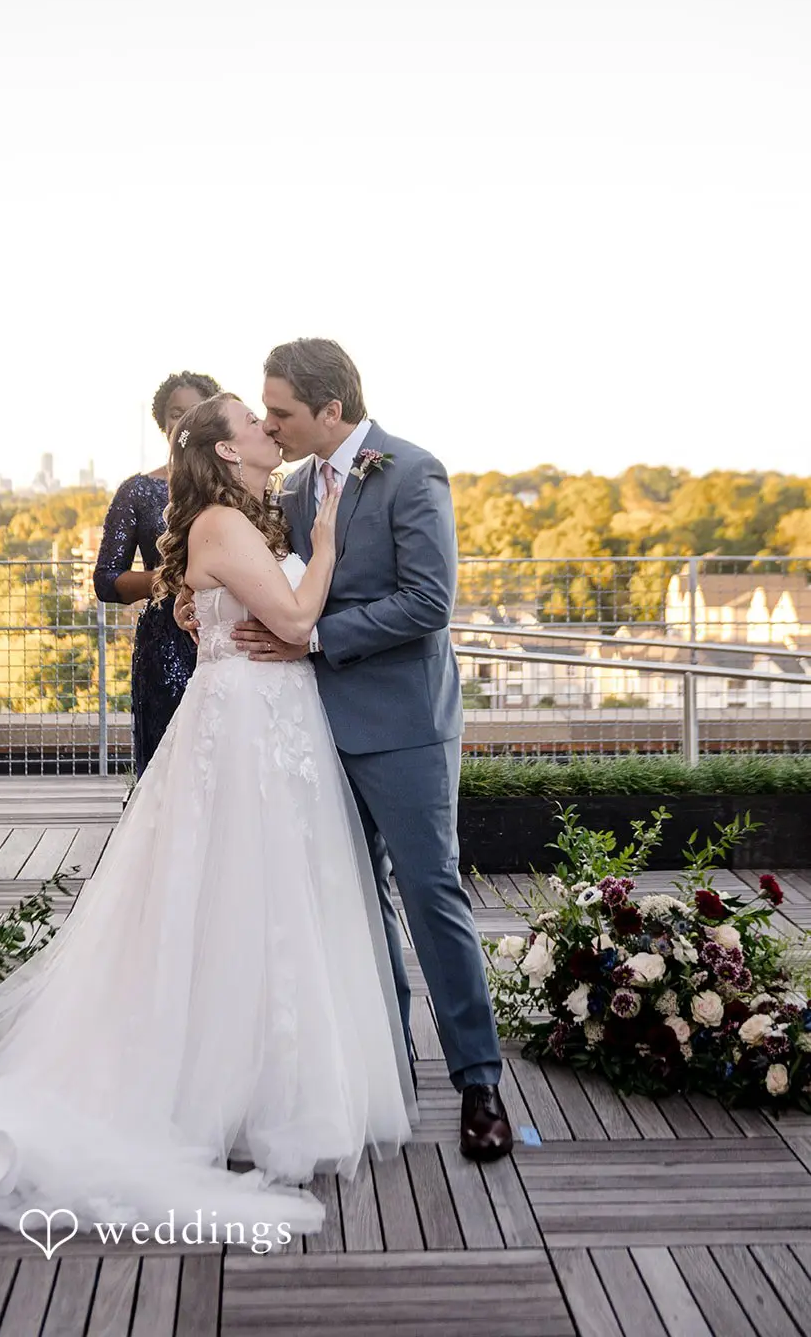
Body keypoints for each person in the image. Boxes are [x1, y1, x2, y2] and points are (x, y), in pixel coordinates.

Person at [0, 394, 415, 1243]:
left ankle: (255, 1087)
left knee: (265, 904)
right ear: (222, 444)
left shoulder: (243, 519)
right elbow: (293, 618)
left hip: (268, 728)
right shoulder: (221, 522)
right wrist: (322, 549)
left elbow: (216, 608)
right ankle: (219, 1094)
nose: (264, 428)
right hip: (246, 732)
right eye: (252, 419)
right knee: (242, 898)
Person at [216, 338, 512, 1159]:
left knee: (429, 895)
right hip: (312, 730)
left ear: (331, 410)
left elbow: (428, 601)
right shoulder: (297, 485)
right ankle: (385, 1066)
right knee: (353, 899)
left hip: (406, 727)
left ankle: (478, 1081)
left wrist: (313, 643)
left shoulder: (413, 471)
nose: (270, 424)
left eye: (280, 411)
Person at [94, 370, 220, 777]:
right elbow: (106, 580)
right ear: (163, 423)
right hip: (164, 642)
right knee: (168, 767)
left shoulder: (235, 487)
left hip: (226, 636)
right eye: (174, 414)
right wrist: (170, 580)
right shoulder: (137, 491)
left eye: (194, 412)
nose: (181, 422)